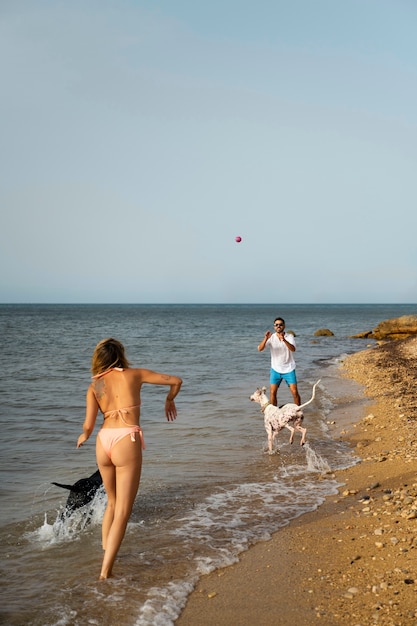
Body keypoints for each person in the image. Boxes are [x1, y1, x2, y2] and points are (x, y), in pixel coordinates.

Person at [77, 338, 182, 580]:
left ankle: (107, 551)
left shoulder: (95, 386)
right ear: (120, 355)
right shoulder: (134, 374)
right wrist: (169, 399)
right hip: (126, 439)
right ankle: (105, 572)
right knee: (123, 510)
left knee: (112, 504)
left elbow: (88, 425)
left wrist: (84, 435)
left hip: (103, 441)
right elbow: (176, 381)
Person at [257, 317, 301, 407]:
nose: (278, 326)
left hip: (289, 369)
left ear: (284, 326)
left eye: (280, 324)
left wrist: (284, 340)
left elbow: (293, 349)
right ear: (274, 327)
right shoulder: (271, 337)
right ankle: (274, 413)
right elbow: (260, 349)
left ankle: (298, 411)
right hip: (275, 369)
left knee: (294, 392)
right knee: (272, 392)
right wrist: (265, 338)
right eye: (276, 325)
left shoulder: (289, 336)